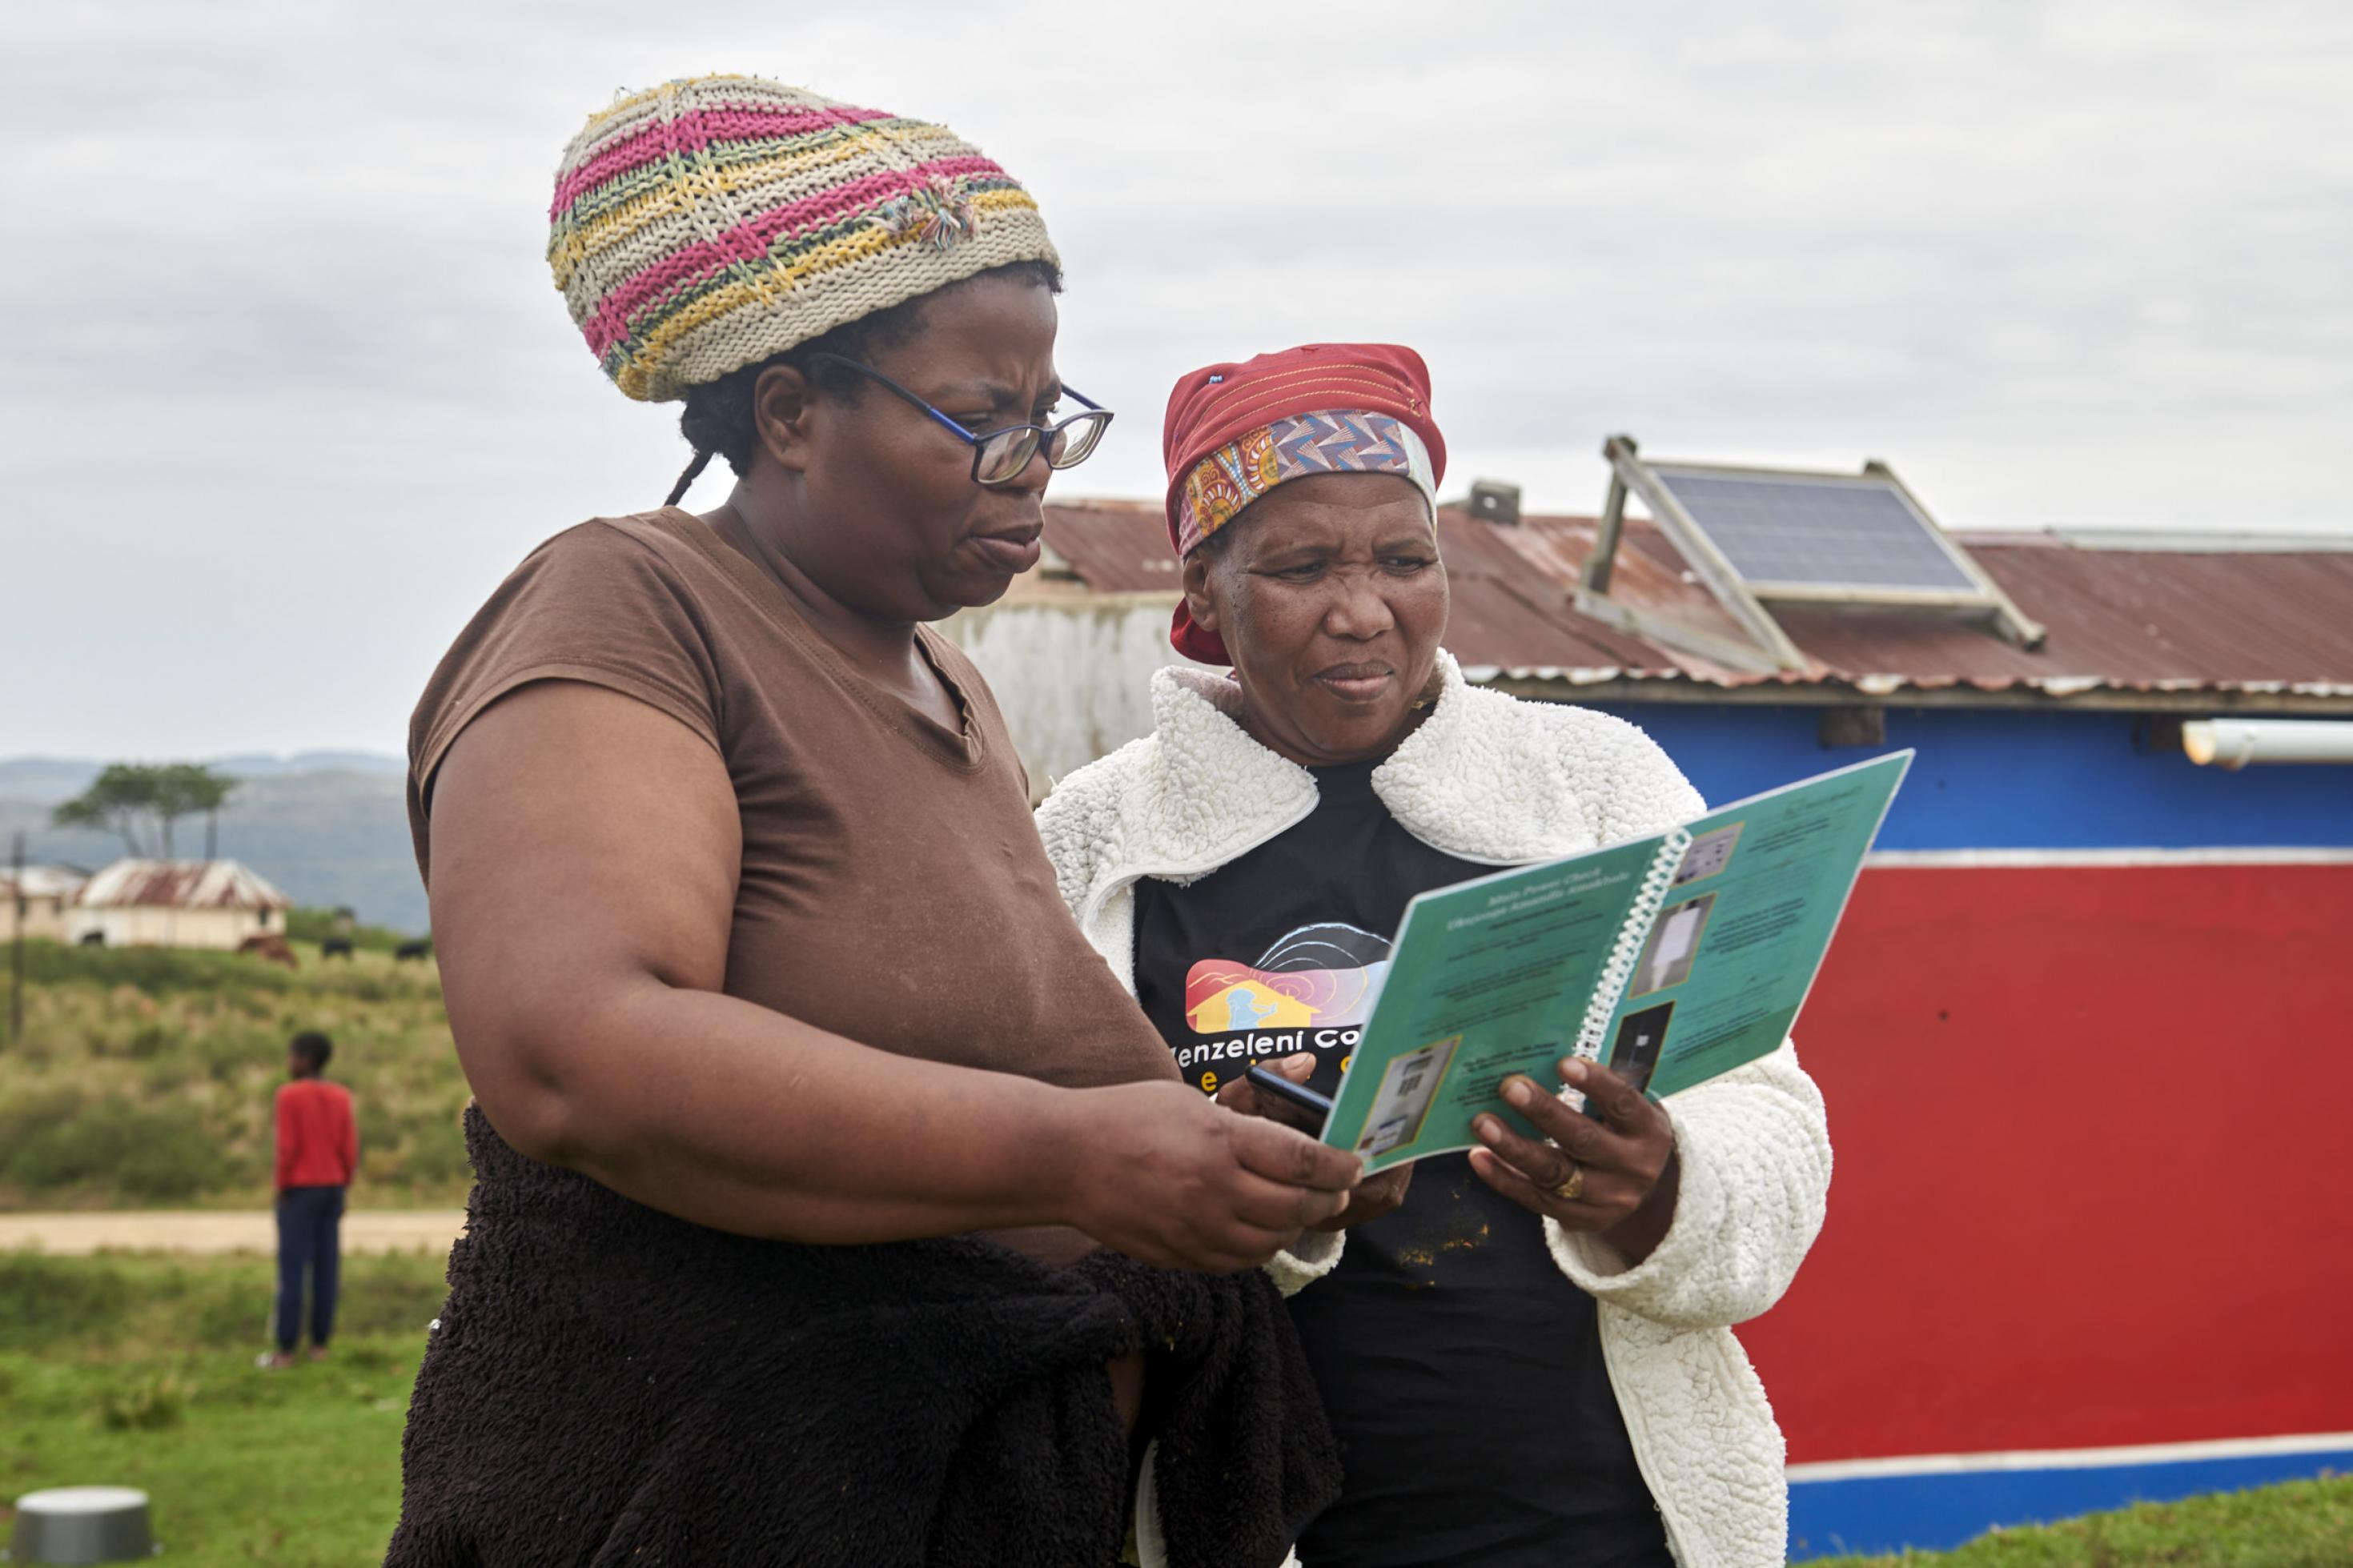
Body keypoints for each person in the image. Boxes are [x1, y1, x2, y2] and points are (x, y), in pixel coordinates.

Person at [385, 78, 1362, 1568]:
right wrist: (1077, 1157)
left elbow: (967, 1041)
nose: (1031, 457)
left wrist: (1248, 1130)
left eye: (1045, 412)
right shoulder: (628, 602)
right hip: (726, 1484)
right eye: (977, 416)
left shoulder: (944, 673)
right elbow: (574, 1048)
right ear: (789, 412)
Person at [1035, 343, 1834, 1568]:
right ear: (1204, 582)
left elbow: (1772, 1129)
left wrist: (1658, 1182)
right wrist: (1234, 1207)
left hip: (1604, 1524)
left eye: (1403, 560)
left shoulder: (1593, 780)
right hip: (1261, 1521)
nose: (1363, 609)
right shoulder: (1097, 839)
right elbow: (1033, 1219)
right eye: (1299, 567)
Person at [270, 1029, 355, 1369]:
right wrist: (344, 1184)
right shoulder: (341, 1096)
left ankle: (286, 1350)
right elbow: (349, 1149)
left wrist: (280, 1186)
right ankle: (320, 1346)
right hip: (333, 1187)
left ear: (305, 1059)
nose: (288, 1062)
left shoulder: (288, 1096)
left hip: (300, 1189)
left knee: (292, 1270)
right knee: (326, 1267)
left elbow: (287, 1148)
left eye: (292, 1055)